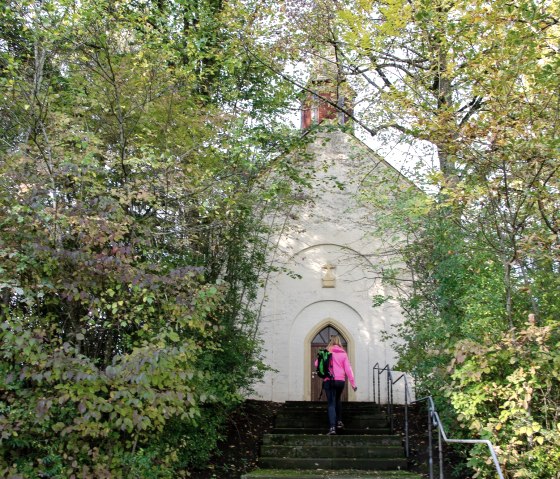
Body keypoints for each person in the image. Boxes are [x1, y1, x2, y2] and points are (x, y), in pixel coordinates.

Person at [316, 335, 357, 435]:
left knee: (331, 403)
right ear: (339, 342)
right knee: (338, 399)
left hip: (328, 380)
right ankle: (339, 421)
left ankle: (332, 428)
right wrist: (353, 384)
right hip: (340, 381)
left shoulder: (326, 352)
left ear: (330, 342)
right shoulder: (343, 353)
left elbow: (316, 364)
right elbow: (348, 369)